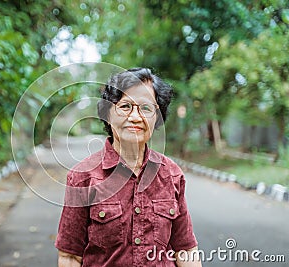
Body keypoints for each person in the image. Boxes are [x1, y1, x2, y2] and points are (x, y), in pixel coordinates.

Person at [55, 67, 202, 267]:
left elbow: (185, 250)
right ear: (108, 113)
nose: (135, 117)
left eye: (146, 108)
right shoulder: (83, 177)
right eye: (125, 106)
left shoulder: (171, 174)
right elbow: (70, 257)